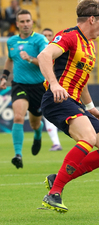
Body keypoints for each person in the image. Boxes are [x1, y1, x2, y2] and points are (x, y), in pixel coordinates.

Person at [38, 0, 99, 213]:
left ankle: (57, 178)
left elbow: (81, 80)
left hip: (75, 102)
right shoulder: (69, 36)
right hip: (57, 99)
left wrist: (91, 106)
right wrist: (55, 85)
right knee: (88, 138)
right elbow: (44, 56)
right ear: (92, 19)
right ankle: (54, 192)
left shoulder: (90, 46)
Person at [0, 9, 48, 169]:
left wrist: (31, 59)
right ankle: (18, 154)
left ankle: (38, 134)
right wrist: (4, 77)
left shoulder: (40, 40)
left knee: (35, 123)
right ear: (17, 24)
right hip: (19, 85)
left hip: (38, 87)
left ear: (31, 22)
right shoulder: (12, 41)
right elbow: (9, 60)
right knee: (18, 117)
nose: (25, 24)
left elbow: (47, 61)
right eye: (22, 21)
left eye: (28, 21)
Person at [41, 28, 62, 151]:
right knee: (36, 119)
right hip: (36, 86)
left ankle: (56, 143)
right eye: (45, 35)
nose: (47, 37)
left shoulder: (58, 51)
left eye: (50, 35)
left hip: (53, 86)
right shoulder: (38, 50)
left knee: (48, 114)